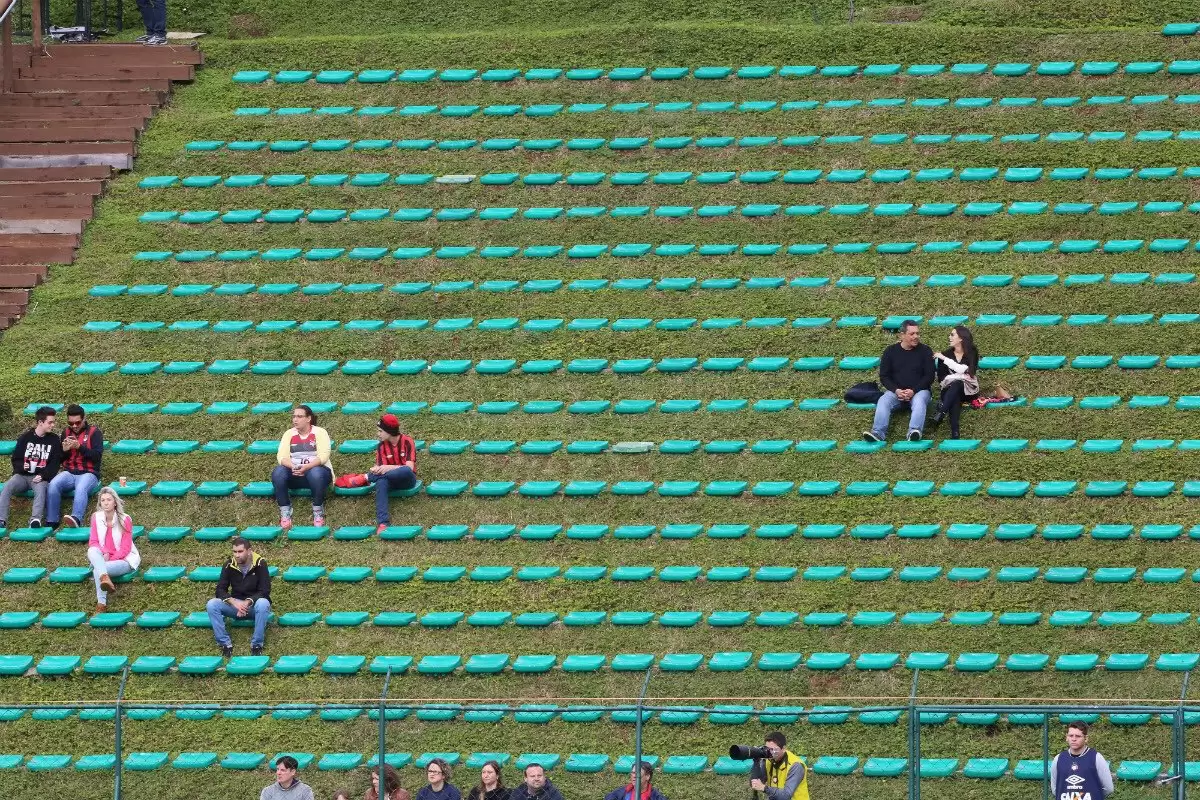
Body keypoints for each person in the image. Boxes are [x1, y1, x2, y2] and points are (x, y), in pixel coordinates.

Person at [864, 320, 935, 443]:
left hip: (919, 391)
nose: (916, 336)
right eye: (912, 334)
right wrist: (896, 390)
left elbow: (929, 376)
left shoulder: (925, 351)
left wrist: (913, 391)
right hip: (896, 392)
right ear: (902, 335)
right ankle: (878, 433)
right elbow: (884, 376)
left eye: (917, 333)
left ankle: (914, 431)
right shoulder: (890, 351)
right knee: (884, 400)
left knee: (919, 400)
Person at [206, 537, 272, 657]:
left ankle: (257, 644)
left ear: (249, 551)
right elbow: (220, 590)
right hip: (235, 607)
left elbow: (265, 590)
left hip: (254, 607)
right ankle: (225, 644)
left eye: (240, 551)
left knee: (263, 603)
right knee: (212, 604)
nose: (237, 555)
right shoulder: (229, 564)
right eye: (235, 552)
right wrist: (234, 602)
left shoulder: (260, 564)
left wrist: (247, 602)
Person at [271, 405, 333, 529]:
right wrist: (293, 466)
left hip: (317, 473)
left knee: (316, 473)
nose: (295, 419)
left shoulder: (320, 432)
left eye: (299, 416)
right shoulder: (289, 434)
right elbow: (281, 457)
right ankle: (285, 511)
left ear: (308, 418)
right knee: (278, 472)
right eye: (294, 416)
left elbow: (323, 456)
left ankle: (318, 511)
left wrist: (307, 467)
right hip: (295, 473)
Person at [0, 405, 60, 530]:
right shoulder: (25, 438)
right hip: (22, 475)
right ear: (40, 422)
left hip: (39, 477)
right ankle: (1, 519)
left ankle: (35, 520)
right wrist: (22, 466)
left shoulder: (54, 440)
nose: (53, 425)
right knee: (7, 486)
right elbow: (15, 459)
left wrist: (43, 475)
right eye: (50, 422)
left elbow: (54, 464)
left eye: (53, 422)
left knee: (41, 489)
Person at [46, 404, 103, 529]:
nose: (74, 426)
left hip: (89, 472)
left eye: (77, 422)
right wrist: (64, 451)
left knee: (81, 488)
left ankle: (76, 518)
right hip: (69, 472)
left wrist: (80, 447)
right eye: (71, 423)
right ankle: (52, 520)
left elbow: (97, 456)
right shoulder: (66, 432)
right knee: (53, 484)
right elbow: (60, 459)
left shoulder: (94, 432)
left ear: (84, 419)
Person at [86, 487, 140, 613]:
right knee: (91, 550)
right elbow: (93, 542)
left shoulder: (125, 519)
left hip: (124, 560)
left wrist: (109, 558)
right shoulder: (96, 517)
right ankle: (105, 577)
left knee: (97, 569)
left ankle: (101, 604)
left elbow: (126, 548)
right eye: (103, 500)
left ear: (115, 502)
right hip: (104, 558)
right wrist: (104, 553)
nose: (106, 503)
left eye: (109, 500)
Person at [370, 413, 417, 535]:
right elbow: (381, 470)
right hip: (389, 480)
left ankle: (367, 477)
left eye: (380, 431)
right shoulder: (381, 446)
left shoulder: (407, 441)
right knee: (381, 481)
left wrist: (388, 467)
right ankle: (383, 523)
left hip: (407, 479)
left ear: (389, 431)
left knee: (405, 470)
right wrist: (377, 469)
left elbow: (409, 467)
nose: (378, 434)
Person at [932, 325, 981, 439]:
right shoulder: (945, 353)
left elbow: (967, 371)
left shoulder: (972, 352)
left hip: (968, 391)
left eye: (952, 335)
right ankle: (955, 432)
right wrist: (959, 377)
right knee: (955, 390)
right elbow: (942, 378)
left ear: (961, 338)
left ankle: (941, 412)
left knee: (958, 384)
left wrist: (946, 362)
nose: (949, 337)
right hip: (948, 390)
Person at [1050, 721, 1114, 800]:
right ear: (1066, 737)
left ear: (1086, 738)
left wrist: (1094, 795)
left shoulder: (1096, 758)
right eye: (1071, 735)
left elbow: (1109, 788)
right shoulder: (1058, 759)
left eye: (1078, 736)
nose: (1074, 739)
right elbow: (1055, 789)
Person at [750, 732, 809, 800]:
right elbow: (755, 783)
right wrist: (756, 761)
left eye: (772, 749)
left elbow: (786, 796)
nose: (769, 753)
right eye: (767, 749)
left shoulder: (796, 765)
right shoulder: (767, 760)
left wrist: (764, 788)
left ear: (783, 749)